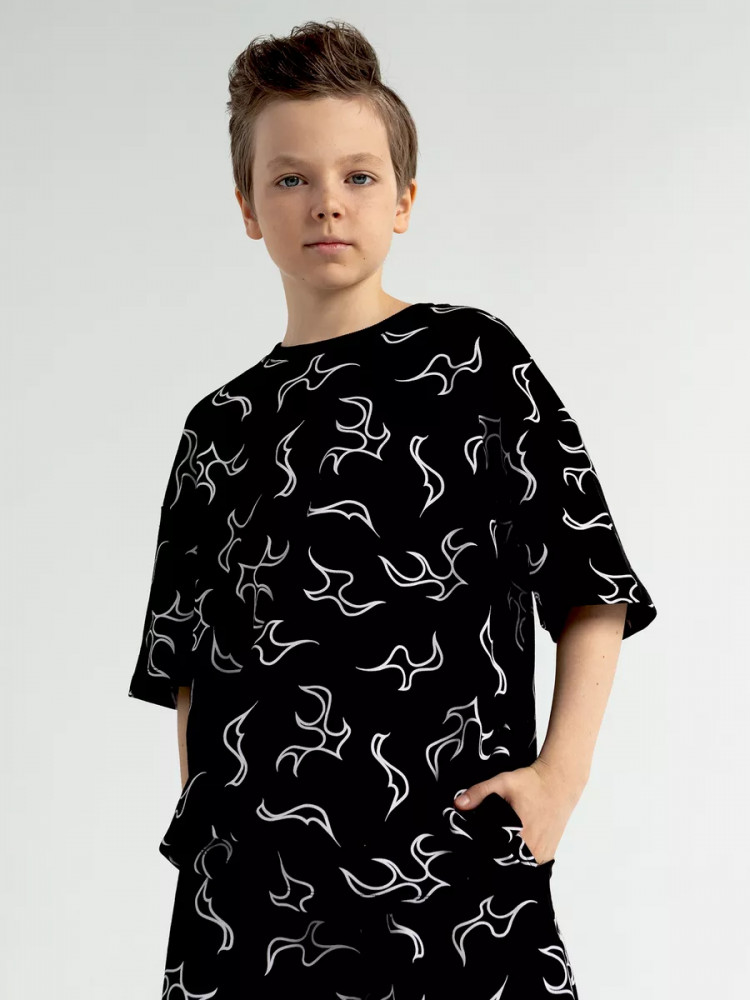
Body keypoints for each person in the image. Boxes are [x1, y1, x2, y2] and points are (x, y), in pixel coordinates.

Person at [127, 19, 657, 1000]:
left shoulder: (475, 362)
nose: (326, 201)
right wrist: (214, 851)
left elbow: (592, 580)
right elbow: (191, 664)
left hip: (454, 873)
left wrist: (561, 778)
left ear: (405, 198)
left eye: (359, 175)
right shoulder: (218, 428)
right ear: (248, 207)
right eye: (290, 177)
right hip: (252, 898)